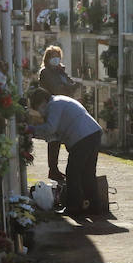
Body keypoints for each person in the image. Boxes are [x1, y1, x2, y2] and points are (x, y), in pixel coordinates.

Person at [27, 86, 102, 217]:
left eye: (37, 106)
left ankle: (74, 207)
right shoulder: (59, 101)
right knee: (88, 173)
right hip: (92, 133)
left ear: (43, 101)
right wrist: (35, 134)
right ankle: (94, 206)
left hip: (83, 136)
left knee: (73, 172)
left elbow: (50, 128)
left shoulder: (53, 105)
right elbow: (53, 135)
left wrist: (31, 129)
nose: (39, 111)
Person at [36, 46, 79, 181]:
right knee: (53, 139)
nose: (56, 59)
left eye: (58, 56)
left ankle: (56, 169)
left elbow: (72, 84)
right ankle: (52, 169)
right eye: (53, 56)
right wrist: (67, 87)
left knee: (59, 139)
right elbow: (56, 87)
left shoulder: (60, 71)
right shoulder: (46, 72)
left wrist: (65, 78)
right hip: (52, 107)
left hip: (63, 107)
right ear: (47, 58)